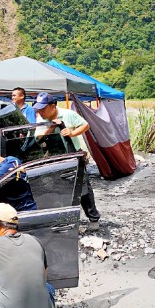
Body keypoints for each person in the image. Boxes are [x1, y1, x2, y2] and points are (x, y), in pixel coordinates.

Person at [33, 92, 101, 230]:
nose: (40, 111)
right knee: (60, 190)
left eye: (43, 108)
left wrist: (72, 133)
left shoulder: (67, 114)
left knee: (83, 189)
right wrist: (52, 127)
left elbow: (85, 125)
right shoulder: (41, 119)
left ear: (52, 106)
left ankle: (93, 218)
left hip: (73, 155)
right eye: (38, 109)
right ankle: (65, 220)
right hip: (54, 158)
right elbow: (38, 139)